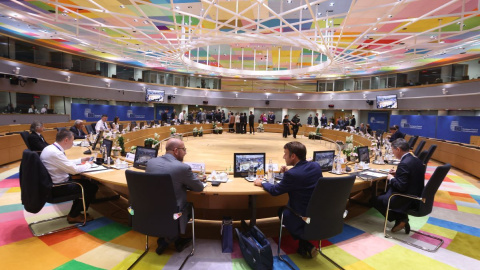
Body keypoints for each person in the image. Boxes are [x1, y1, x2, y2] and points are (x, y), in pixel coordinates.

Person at [254, 142, 323, 258]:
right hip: (317, 214)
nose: (283, 156)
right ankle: (304, 245)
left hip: (301, 215)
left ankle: (303, 240)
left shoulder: (292, 175)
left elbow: (275, 191)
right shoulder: (315, 166)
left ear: (293, 156)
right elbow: (303, 177)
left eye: (285, 154)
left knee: (282, 212)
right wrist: (289, 172)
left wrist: (262, 183)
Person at [145, 138, 204, 255]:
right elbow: (199, 188)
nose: (185, 152)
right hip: (174, 213)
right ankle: (167, 240)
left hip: (152, 210)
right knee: (188, 207)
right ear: (176, 150)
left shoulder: (150, 163)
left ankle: (174, 239)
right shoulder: (182, 168)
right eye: (184, 149)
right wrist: (193, 180)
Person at [40, 130, 98, 224]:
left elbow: (65, 163)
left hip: (52, 184)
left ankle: (75, 212)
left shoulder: (51, 148)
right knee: (91, 187)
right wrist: (89, 164)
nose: (73, 143)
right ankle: (74, 215)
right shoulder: (56, 153)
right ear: (66, 140)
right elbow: (73, 170)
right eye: (72, 140)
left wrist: (81, 160)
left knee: (86, 183)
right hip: (57, 188)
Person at [373, 139, 425, 233]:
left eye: (393, 151)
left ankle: (402, 220)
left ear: (398, 149)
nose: (393, 153)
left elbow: (401, 187)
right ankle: (401, 219)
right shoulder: (416, 159)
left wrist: (391, 178)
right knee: (384, 194)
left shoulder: (404, 164)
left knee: (375, 200)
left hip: (406, 198)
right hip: (417, 195)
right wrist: (397, 173)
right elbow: (412, 174)